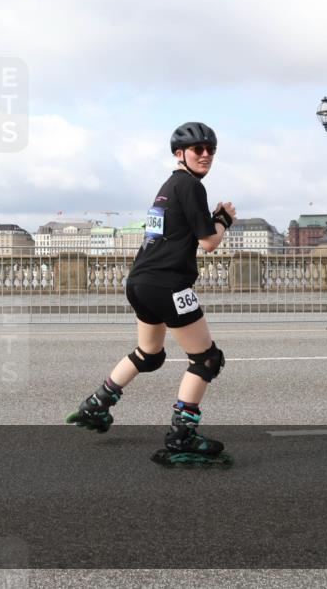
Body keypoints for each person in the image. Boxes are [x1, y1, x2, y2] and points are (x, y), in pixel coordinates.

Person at [66, 122, 236, 458]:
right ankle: (182, 436)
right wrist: (224, 220)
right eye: (198, 150)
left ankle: (97, 404)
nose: (205, 155)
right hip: (168, 284)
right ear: (179, 154)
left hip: (140, 282)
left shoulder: (167, 187)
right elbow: (209, 243)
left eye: (210, 150)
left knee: (149, 355)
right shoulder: (189, 185)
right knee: (207, 360)